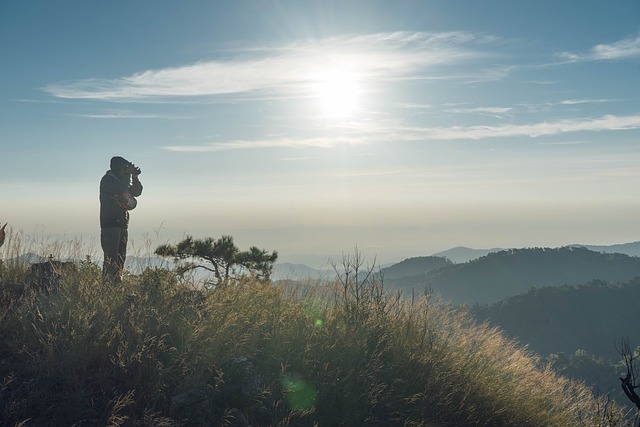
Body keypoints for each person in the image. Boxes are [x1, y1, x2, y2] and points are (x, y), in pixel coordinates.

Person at [99, 156, 143, 284]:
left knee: (120, 258)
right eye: (124, 168)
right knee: (111, 259)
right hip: (110, 225)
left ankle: (116, 285)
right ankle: (107, 286)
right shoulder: (107, 180)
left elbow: (136, 191)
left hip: (122, 225)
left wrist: (135, 177)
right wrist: (128, 175)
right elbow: (119, 188)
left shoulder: (122, 180)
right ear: (118, 168)